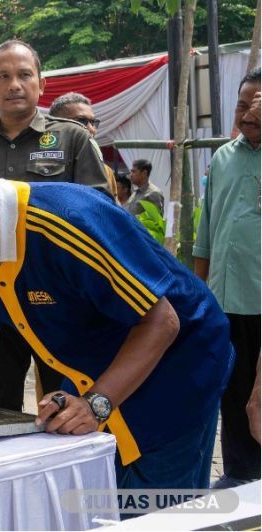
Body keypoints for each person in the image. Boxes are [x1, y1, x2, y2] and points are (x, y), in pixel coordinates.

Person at [0, 144, 234, 490]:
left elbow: (162, 321)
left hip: (178, 369)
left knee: (156, 507)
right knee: (95, 501)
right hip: (98, 374)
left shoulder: (66, 222)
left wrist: (96, 404)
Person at [0, 40, 110, 411]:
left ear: (41, 83)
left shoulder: (72, 138)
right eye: (3, 77)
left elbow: (101, 213)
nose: (14, 85)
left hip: (62, 302)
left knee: (65, 404)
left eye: (24, 75)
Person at [194, 67, 261, 488]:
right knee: (232, 390)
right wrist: (199, 299)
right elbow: (206, 235)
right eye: (242, 104)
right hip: (224, 300)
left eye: (258, 104)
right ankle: (240, 471)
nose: (248, 112)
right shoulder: (222, 157)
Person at [48, 91, 118, 199]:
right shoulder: (37, 159)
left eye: (93, 122)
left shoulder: (105, 170)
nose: (91, 129)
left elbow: (109, 209)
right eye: (81, 121)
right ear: (56, 125)